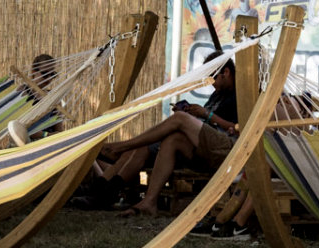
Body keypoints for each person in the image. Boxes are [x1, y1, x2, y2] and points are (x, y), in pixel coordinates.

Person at [91, 61, 240, 217]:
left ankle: (121, 147)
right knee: (170, 139)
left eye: (213, 77)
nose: (211, 83)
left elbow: (239, 128)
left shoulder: (239, 95)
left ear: (226, 72)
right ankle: (146, 201)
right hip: (202, 146)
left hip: (227, 145)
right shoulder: (217, 95)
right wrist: (194, 113)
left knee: (180, 119)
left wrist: (206, 114)